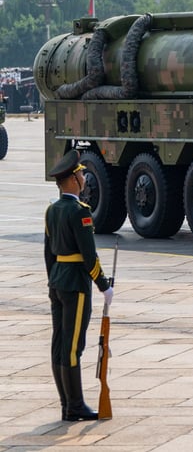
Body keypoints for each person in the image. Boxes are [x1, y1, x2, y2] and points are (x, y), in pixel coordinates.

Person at [44, 149, 113, 421]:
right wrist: (103, 284)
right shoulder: (79, 212)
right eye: (81, 173)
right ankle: (75, 407)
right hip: (75, 284)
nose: (84, 177)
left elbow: (48, 253)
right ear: (72, 179)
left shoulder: (52, 210)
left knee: (59, 344)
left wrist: (53, 280)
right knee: (73, 346)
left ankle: (66, 404)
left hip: (58, 281)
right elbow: (88, 255)